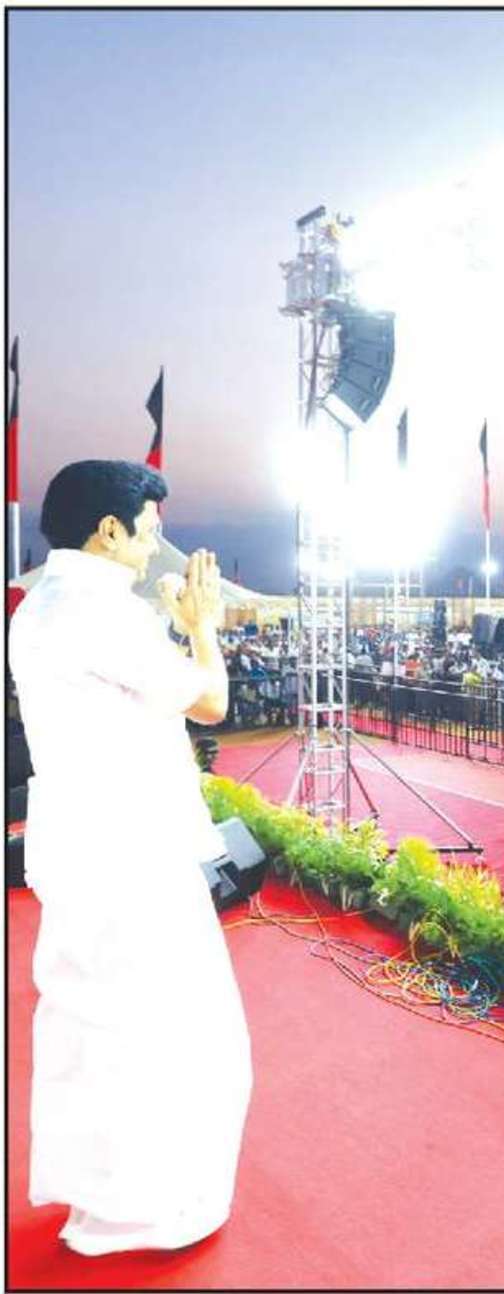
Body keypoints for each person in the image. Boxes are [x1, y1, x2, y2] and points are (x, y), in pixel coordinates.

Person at [8, 461, 249, 1255]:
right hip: (132, 853)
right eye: (149, 529)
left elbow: (132, 703)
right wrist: (201, 625)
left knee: (93, 1024)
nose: (156, 545)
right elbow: (210, 701)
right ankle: (152, 1208)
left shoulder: (42, 605)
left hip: (82, 847)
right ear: (109, 529)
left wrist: (170, 629)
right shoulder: (102, 610)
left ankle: (103, 1204)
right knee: (170, 1026)